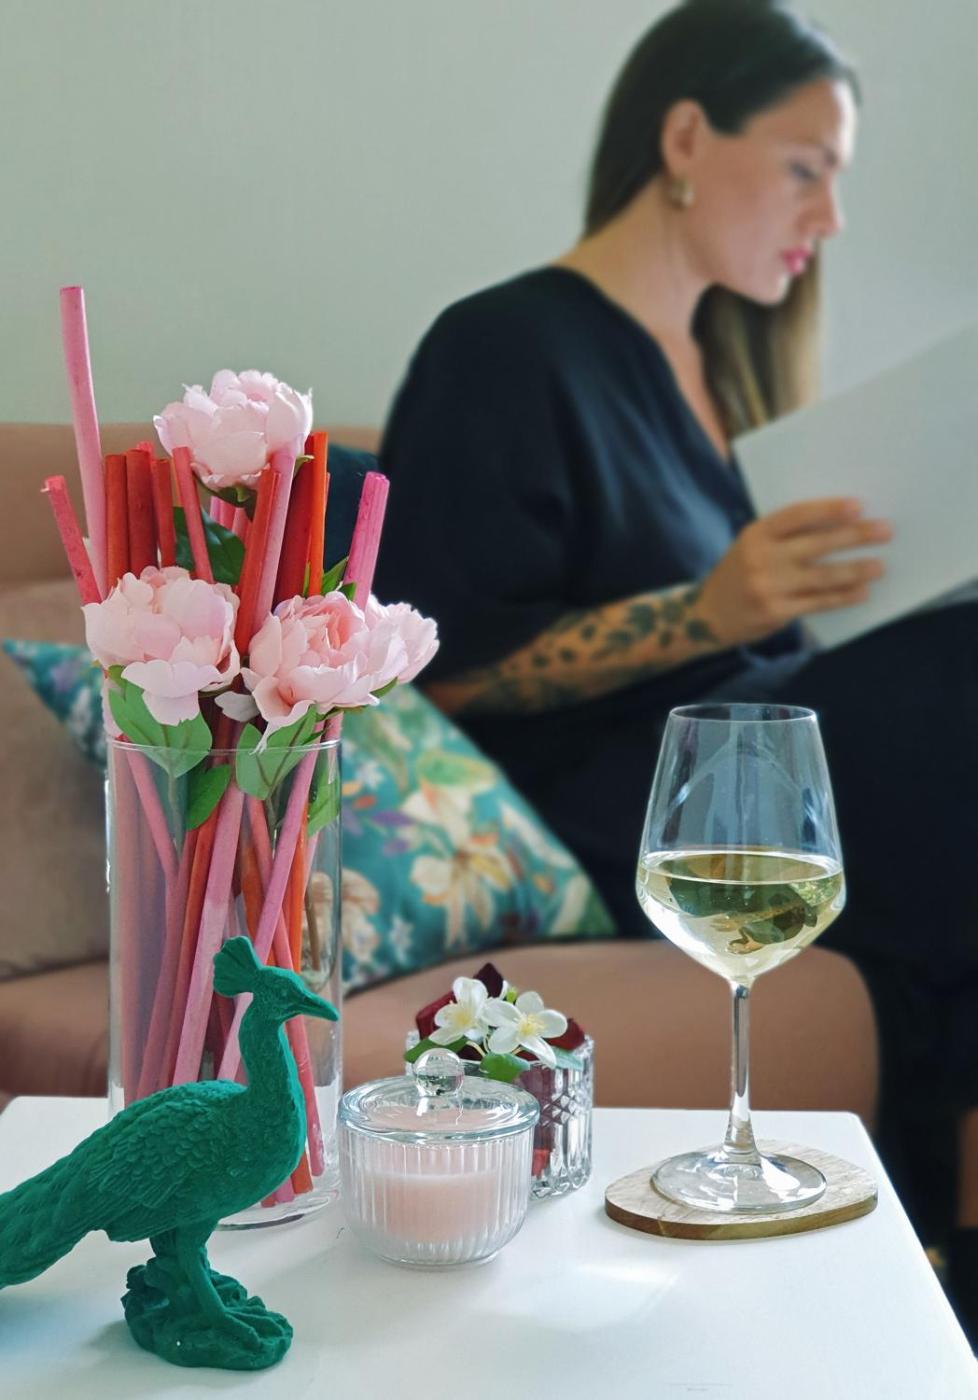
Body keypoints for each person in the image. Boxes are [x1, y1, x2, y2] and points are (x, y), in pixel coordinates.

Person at [373, 0, 978, 1336]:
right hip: (618, 814)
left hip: (764, 786)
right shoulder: (506, 346)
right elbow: (443, 676)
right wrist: (707, 611)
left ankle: (923, 1260)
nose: (827, 219)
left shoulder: (721, 377)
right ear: (687, 137)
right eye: (806, 169)